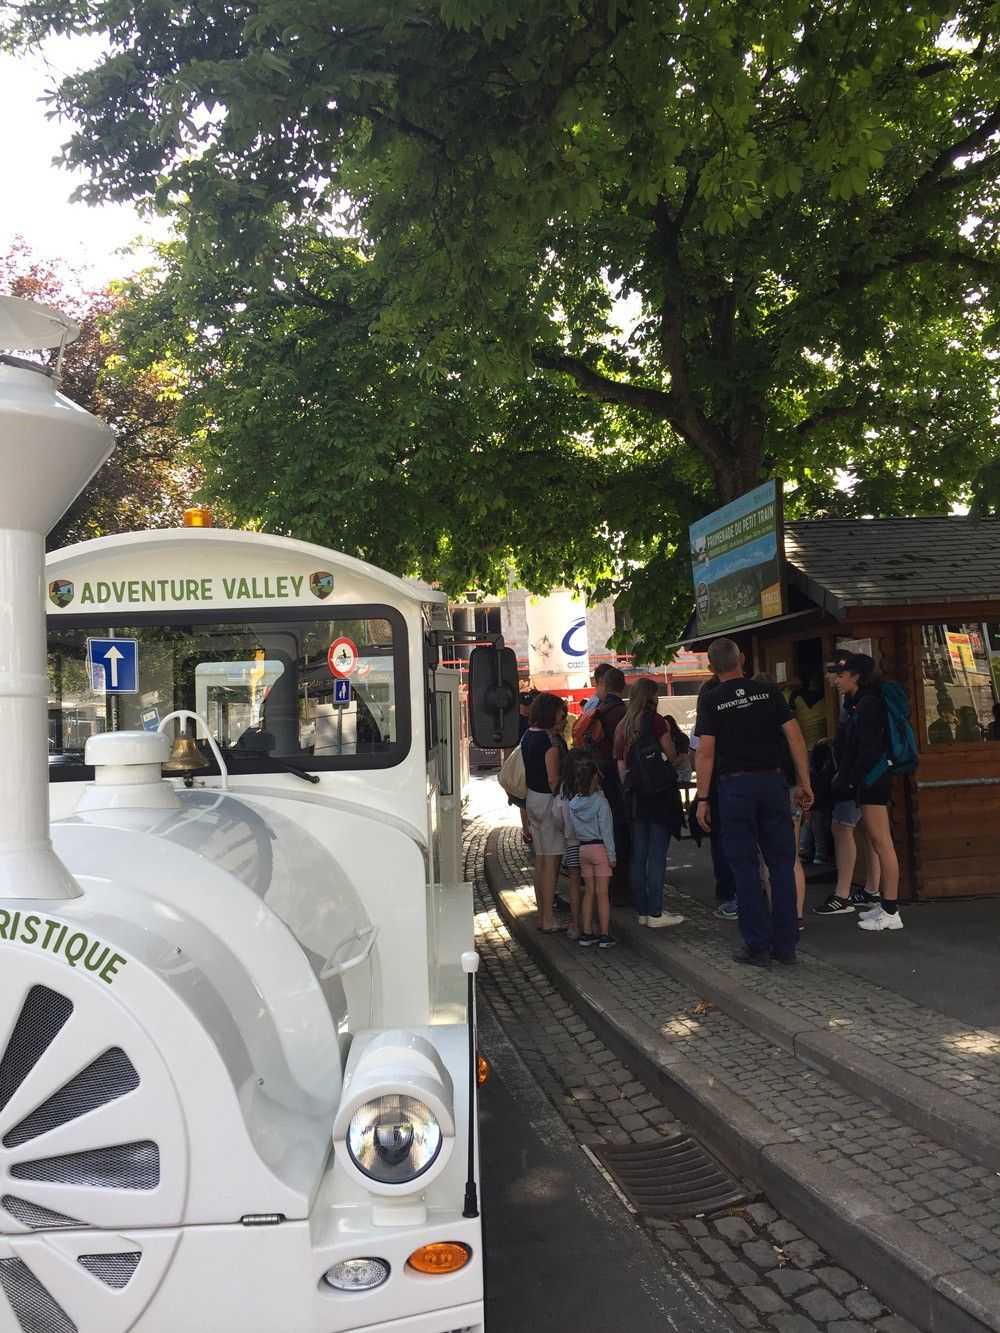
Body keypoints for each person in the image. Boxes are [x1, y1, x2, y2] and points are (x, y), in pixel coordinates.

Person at [695, 639, 813, 966]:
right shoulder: (770, 692)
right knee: (782, 864)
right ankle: (787, 945)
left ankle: (757, 945)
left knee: (744, 867)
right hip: (773, 783)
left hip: (735, 788)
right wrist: (804, 782)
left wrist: (702, 798)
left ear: (710, 668)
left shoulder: (712, 699)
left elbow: (706, 751)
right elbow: (795, 737)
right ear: (742, 659)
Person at [829, 653, 904, 933]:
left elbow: (869, 750)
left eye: (842, 675)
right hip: (870, 779)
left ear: (856, 676)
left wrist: (850, 777)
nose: (837, 680)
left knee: (882, 844)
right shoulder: (862, 702)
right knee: (877, 841)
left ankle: (891, 910)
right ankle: (884, 904)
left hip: (873, 780)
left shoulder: (868, 705)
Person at [614, 677, 685, 928]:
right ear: (651, 698)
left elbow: (621, 768)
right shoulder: (656, 721)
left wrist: (630, 790)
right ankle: (656, 912)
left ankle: (642, 911)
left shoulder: (621, 727)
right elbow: (672, 755)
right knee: (657, 855)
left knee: (638, 855)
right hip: (659, 796)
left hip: (635, 798)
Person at [692, 674, 738, 920]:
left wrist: (702, 797)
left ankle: (728, 892)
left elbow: (698, 754)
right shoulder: (737, 717)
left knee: (720, 839)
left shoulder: (706, 720)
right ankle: (743, 892)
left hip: (716, 785)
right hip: (737, 782)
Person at [521, 691, 567, 932]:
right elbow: (553, 779)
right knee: (551, 861)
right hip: (549, 801)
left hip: (532, 799)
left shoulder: (529, 735)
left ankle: (542, 916)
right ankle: (549, 919)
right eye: (561, 710)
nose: (563, 714)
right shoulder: (550, 740)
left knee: (540, 860)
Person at [568, 758, 617, 947]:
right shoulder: (601, 803)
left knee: (588, 892)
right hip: (599, 849)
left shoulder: (573, 804)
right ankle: (605, 934)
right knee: (602, 892)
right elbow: (606, 830)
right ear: (595, 778)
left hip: (583, 849)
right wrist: (611, 855)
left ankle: (587, 932)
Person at [553, 749, 588, 941]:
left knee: (574, 886)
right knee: (592, 886)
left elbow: (558, 817)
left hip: (573, 843)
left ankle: (575, 925)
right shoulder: (591, 787)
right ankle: (591, 924)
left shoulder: (564, 788)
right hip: (592, 843)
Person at [665, 714, 693, 783]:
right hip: (674, 771)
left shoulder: (681, 737)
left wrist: (668, 768)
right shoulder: (667, 738)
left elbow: (682, 756)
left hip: (683, 773)